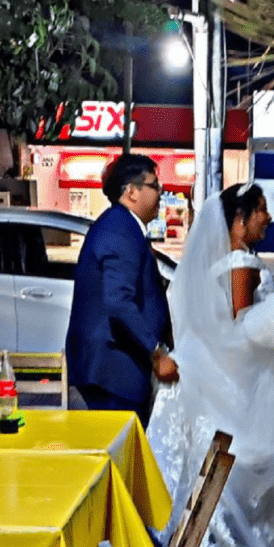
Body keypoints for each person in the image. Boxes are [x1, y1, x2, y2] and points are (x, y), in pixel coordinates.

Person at [147, 182, 274, 547]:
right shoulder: (238, 264)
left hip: (222, 380)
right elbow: (241, 327)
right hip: (243, 385)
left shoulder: (231, 263)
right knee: (272, 464)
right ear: (239, 219)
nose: (268, 218)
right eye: (261, 210)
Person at [66, 153, 178, 427]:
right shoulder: (120, 228)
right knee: (120, 457)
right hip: (114, 370)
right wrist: (156, 353)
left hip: (116, 367)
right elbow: (119, 302)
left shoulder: (122, 225)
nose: (161, 194)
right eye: (155, 186)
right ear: (131, 192)